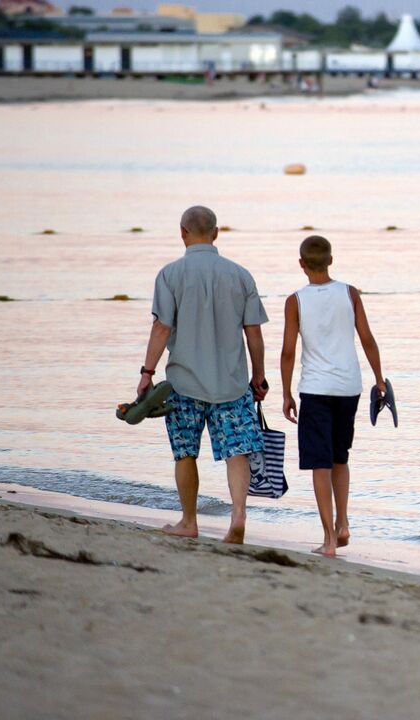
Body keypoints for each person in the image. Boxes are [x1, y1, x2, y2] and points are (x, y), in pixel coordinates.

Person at [137, 206, 269, 544]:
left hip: (184, 382)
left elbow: (162, 327)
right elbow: (253, 331)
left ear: (182, 232)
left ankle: (189, 521)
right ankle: (238, 515)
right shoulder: (241, 275)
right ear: (217, 232)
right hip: (232, 381)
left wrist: (147, 372)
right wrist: (259, 376)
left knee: (185, 452)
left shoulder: (169, 275)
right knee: (236, 450)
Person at [280, 235, 385, 557]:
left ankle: (328, 540)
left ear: (301, 264)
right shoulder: (349, 293)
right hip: (348, 387)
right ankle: (343, 523)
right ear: (331, 260)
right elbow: (367, 338)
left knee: (319, 464)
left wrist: (285, 393)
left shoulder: (295, 300)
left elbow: (288, 352)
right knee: (340, 457)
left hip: (315, 389)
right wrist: (379, 379)